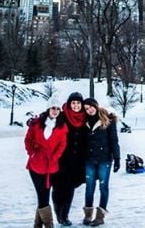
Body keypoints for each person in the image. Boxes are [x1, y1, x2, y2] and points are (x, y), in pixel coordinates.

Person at [25, 95, 69, 228]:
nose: (55, 111)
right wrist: (32, 153)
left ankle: (37, 225)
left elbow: (62, 145)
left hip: (51, 167)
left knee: (44, 196)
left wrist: (54, 158)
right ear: (48, 109)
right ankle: (49, 225)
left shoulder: (62, 127)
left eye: (57, 108)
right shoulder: (37, 124)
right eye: (52, 108)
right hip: (36, 166)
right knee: (42, 195)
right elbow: (28, 140)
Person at [82, 98, 120, 227]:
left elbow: (114, 141)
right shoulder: (84, 122)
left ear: (96, 106)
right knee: (89, 188)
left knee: (103, 187)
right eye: (86, 108)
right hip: (89, 160)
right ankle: (88, 215)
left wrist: (117, 159)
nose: (89, 110)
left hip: (104, 160)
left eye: (91, 107)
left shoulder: (108, 120)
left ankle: (100, 217)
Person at [51, 92, 88, 226]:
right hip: (60, 159)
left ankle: (64, 216)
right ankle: (58, 214)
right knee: (58, 188)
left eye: (78, 103)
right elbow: (47, 119)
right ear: (69, 103)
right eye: (73, 103)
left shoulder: (85, 118)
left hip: (77, 161)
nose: (76, 106)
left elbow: (99, 116)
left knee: (70, 188)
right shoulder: (62, 115)